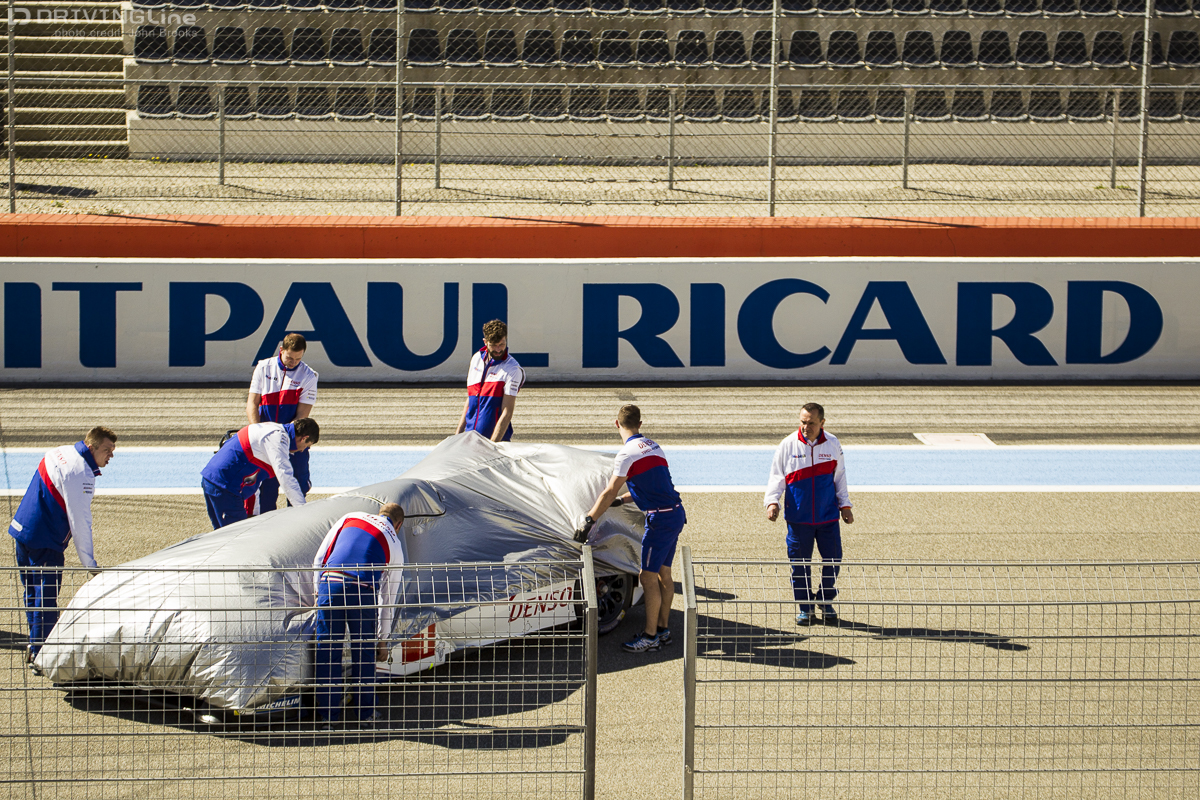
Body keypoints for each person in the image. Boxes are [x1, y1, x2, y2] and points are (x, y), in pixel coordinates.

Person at [575, 405, 686, 654]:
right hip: (675, 513)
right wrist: (624, 501)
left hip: (659, 520)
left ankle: (649, 637)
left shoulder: (626, 454)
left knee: (646, 577)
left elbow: (608, 491)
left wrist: (590, 519)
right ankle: (663, 630)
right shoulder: (653, 445)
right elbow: (652, 485)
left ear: (617, 424)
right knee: (663, 574)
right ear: (640, 424)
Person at [8, 426, 116, 666]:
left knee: (31, 593)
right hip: (46, 541)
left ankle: (34, 645)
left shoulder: (58, 452)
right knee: (45, 598)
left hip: (22, 530)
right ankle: (41, 654)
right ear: (92, 447)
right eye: (107, 450)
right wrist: (90, 564)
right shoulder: (82, 473)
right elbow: (80, 520)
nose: (111, 455)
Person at [312, 502, 406, 729]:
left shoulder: (349, 516)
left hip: (330, 583)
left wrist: (318, 594)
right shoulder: (394, 542)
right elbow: (388, 599)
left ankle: (328, 718)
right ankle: (365, 714)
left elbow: (319, 558)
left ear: (378, 513)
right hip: (361, 590)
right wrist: (383, 640)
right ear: (399, 525)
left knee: (328, 651)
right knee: (364, 653)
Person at [764, 402, 854, 626]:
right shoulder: (787, 444)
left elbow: (840, 476)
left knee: (833, 561)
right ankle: (805, 608)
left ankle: (825, 601)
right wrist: (772, 502)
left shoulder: (833, 443)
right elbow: (776, 476)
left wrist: (845, 505)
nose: (806, 427)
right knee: (799, 564)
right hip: (798, 519)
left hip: (828, 518)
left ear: (822, 423)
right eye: (803, 422)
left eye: (811, 423)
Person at [246, 333, 318, 516]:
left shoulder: (309, 375)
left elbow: (302, 417)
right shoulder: (263, 367)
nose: (293, 362)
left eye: (298, 358)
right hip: (265, 438)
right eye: (289, 357)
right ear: (281, 350)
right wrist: (257, 434)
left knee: (298, 486)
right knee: (266, 490)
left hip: (293, 439)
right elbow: (252, 404)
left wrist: (285, 444)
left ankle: (296, 524)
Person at [200, 418, 319, 530]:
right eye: (306, 446)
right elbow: (285, 477)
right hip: (225, 486)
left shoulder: (270, 427)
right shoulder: (278, 438)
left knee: (221, 536)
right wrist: (303, 512)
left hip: (213, 480)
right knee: (235, 538)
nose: (302, 450)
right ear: (304, 438)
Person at [455, 319, 525, 443]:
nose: (498, 349)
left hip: (495, 442)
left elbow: (507, 412)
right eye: (494, 345)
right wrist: (458, 435)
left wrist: (492, 446)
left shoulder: (512, 369)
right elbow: (470, 399)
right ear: (485, 342)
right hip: (470, 438)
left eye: (502, 344)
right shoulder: (476, 359)